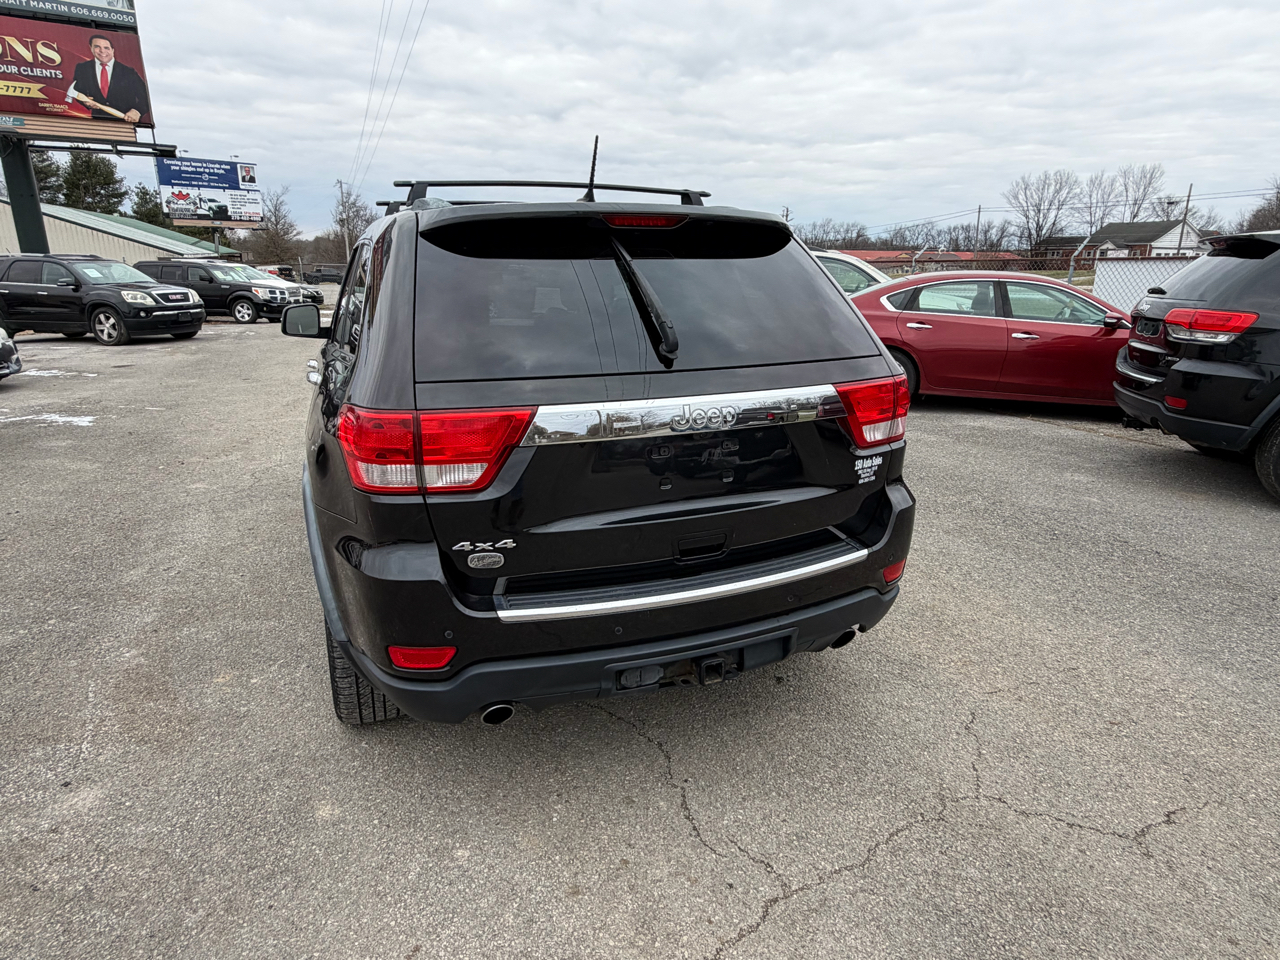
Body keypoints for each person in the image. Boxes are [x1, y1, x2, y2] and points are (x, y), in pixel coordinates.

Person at [64, 34, 149, 123]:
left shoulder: (129, 72)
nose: (102, 51)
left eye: (106, 48)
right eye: (97, 47)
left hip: (124, 124)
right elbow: (78, 91)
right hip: (96, 123)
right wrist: (85, 101)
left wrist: (137, 111)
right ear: (91, 48)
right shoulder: (83, 68)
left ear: (112, 50)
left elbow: (145, 95)